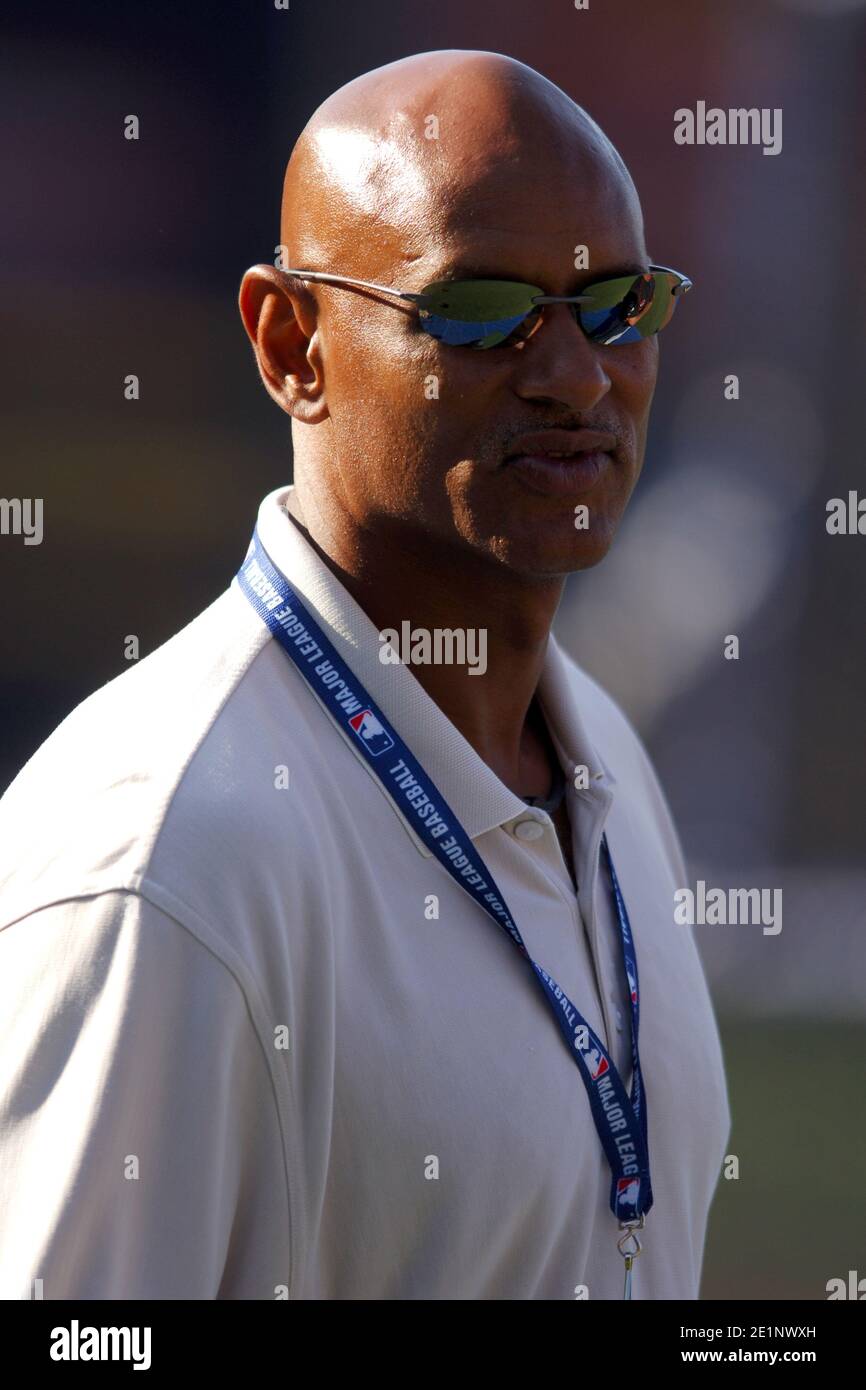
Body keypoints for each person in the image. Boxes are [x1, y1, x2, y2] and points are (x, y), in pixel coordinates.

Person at [0, 49, 730, 1301]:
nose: (572, 374)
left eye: (617, 303)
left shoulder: (598, 753)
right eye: (483, 309)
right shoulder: (164, 859)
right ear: (293, 342)